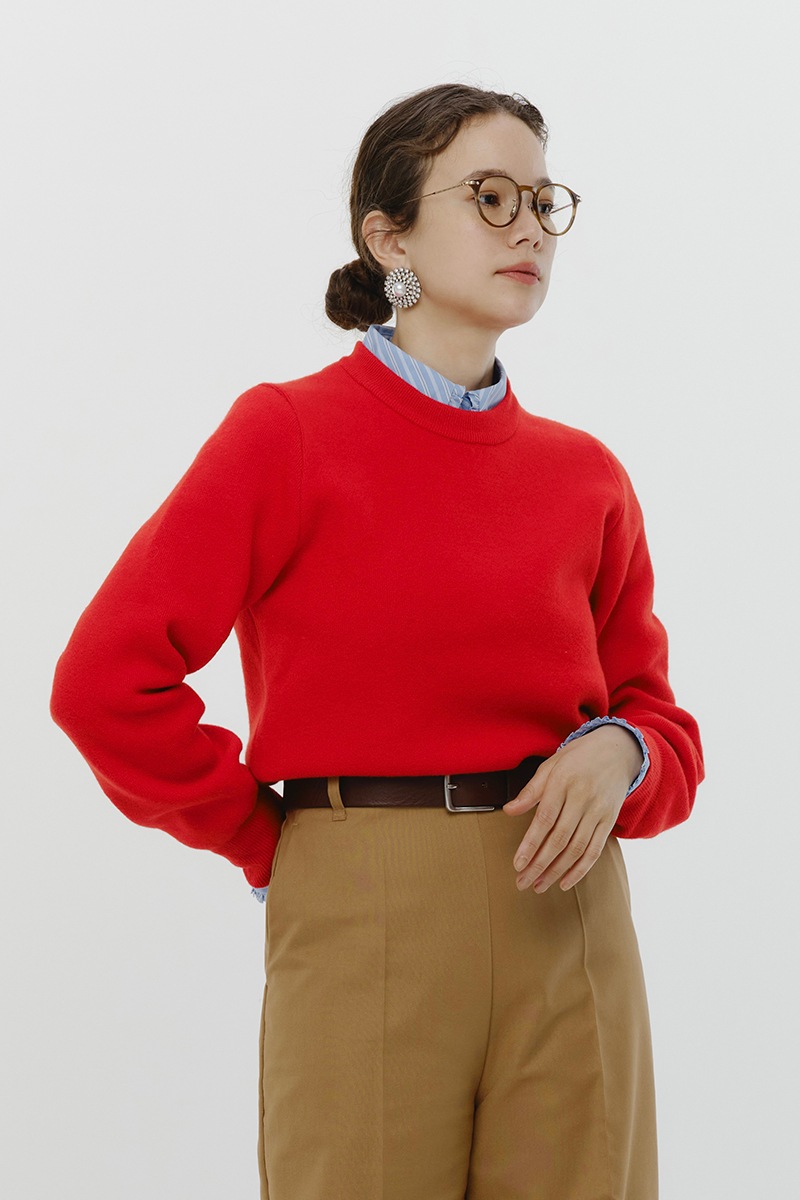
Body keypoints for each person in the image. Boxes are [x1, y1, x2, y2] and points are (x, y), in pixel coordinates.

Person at [50, 82, 704, 1199]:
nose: (527, 228)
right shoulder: (288, 435)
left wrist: (623, 752)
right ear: (388, 236)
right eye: (488, 196)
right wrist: (270, 843)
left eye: (542, 200)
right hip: (363, 902)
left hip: (571, 915)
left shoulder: (585, 476)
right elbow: (104, 682)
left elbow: (661, 723)